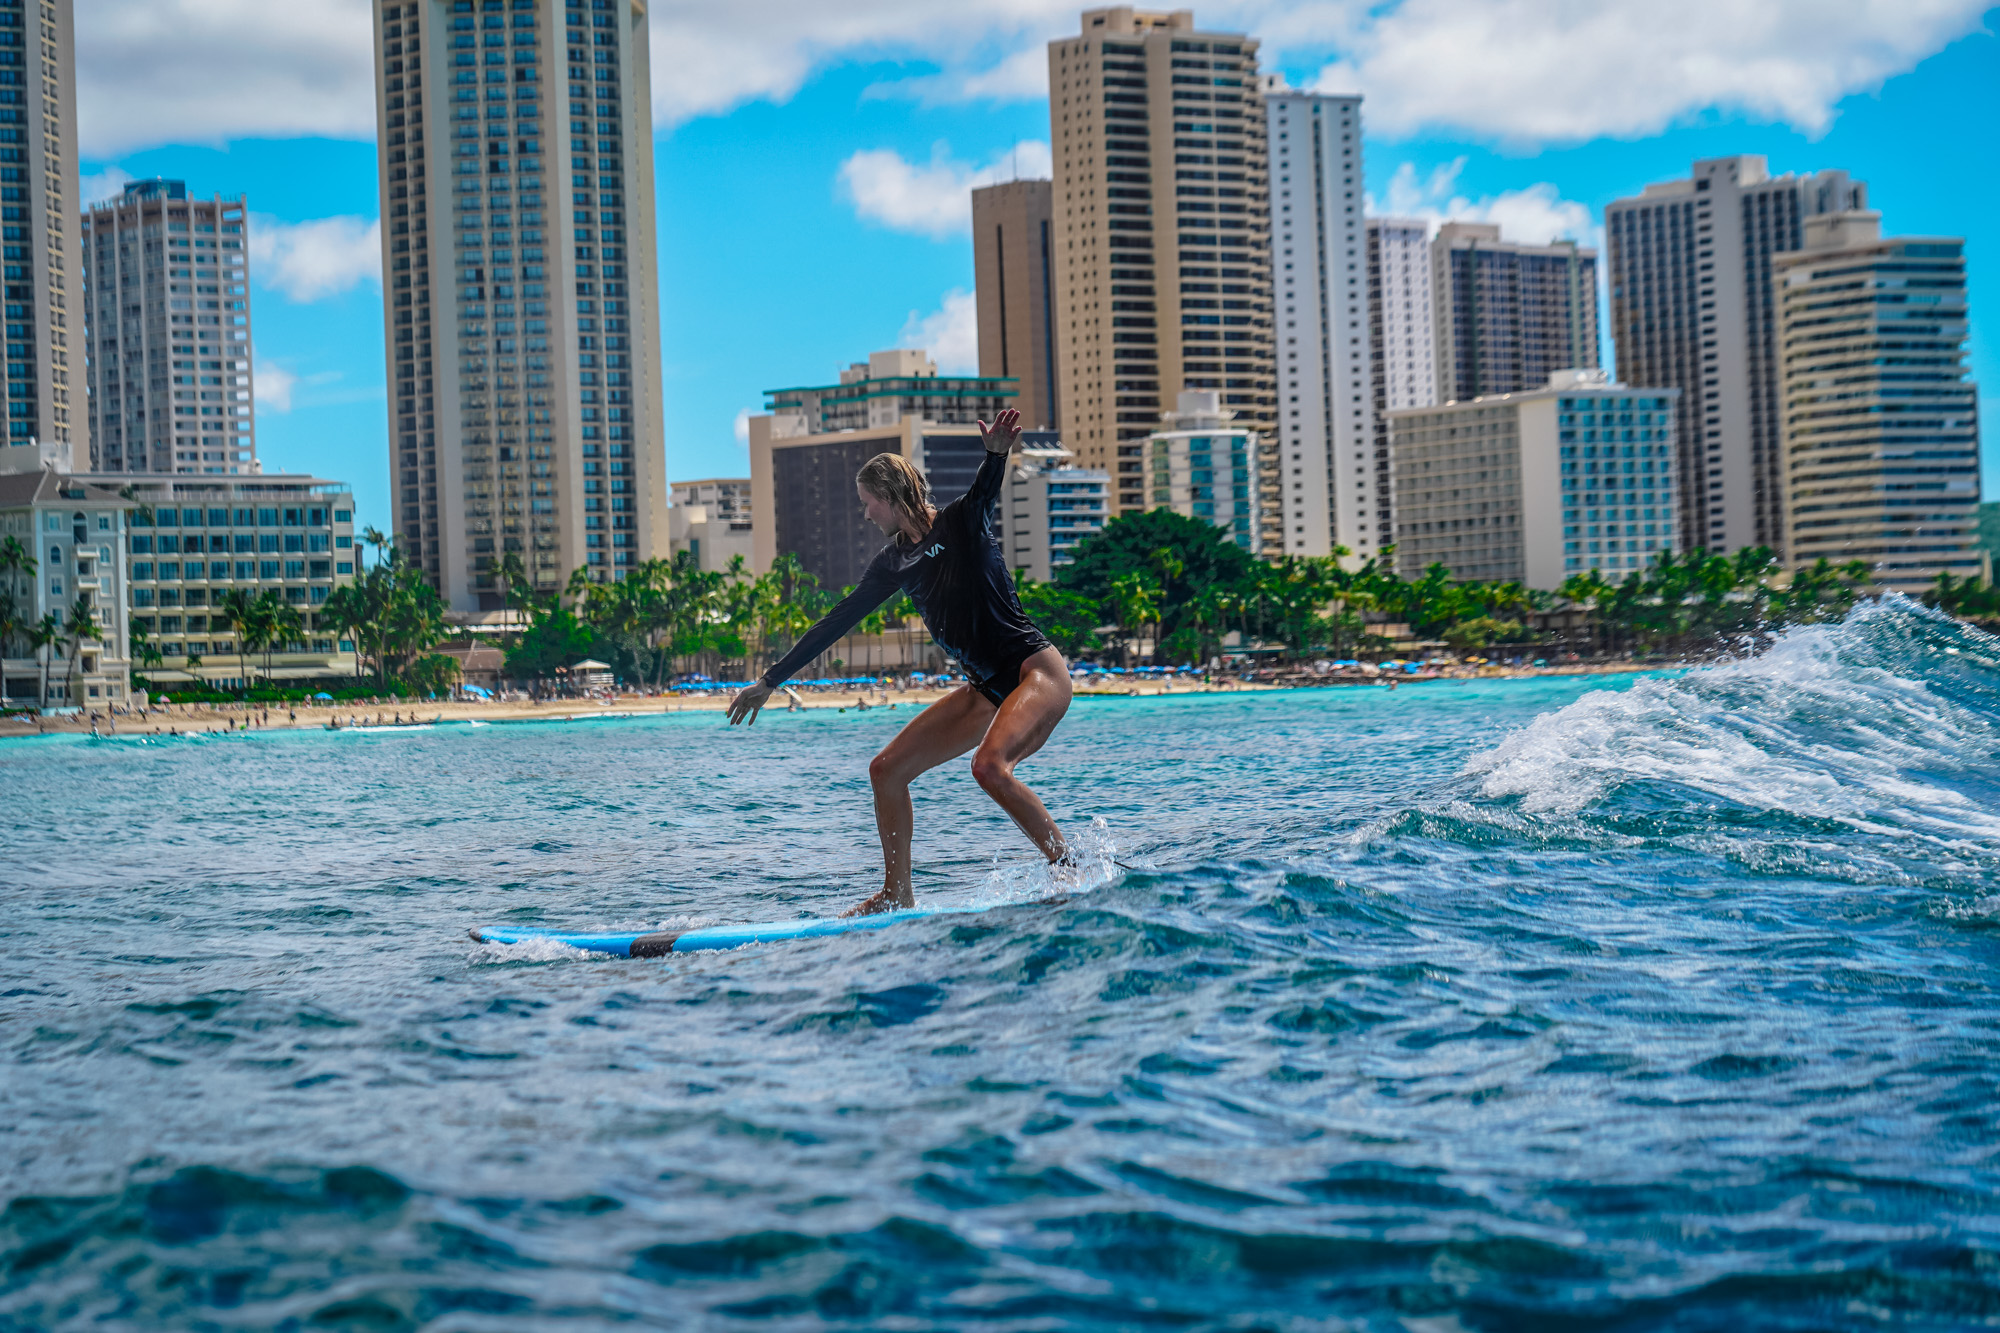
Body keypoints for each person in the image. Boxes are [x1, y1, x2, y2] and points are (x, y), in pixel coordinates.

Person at [728, 408, 1073, 916]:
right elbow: (836, 621)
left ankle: (1070, 868)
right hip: (985, 689)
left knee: (989, 768)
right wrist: (769, 680)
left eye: (868, 504)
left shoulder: (961, 523)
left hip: (1034, 671)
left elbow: (984, 490)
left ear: (890, 498)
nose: (866, 515)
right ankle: (897, 893)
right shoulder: (892, 563)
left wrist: (997, 453)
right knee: (885, 769)